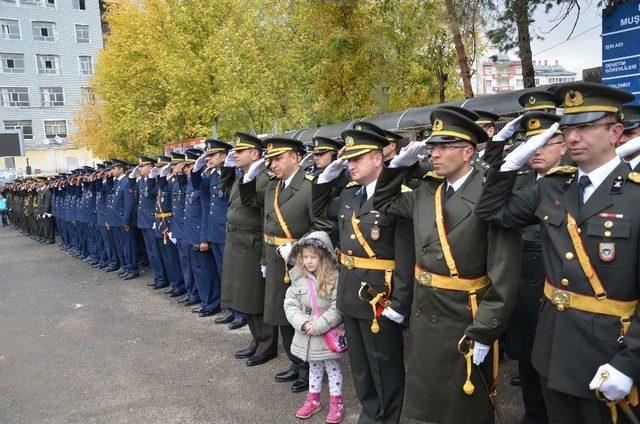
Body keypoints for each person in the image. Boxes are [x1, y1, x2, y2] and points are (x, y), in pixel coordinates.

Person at [475, 82, 640, 423]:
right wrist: (507, 166)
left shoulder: (635, 196)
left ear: (616, 132)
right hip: (552, 347)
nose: (574, 137)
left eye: (585, 126)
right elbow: (492, 212)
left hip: (610, 351)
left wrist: (629, 362)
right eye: (568, 128)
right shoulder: (553, 185)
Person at [372, 108, 521, 424]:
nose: (433, 154)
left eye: (443, 147)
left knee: (464, 403)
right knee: (429, 399)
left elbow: (504, 276)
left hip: (464, 315)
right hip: (426, 310)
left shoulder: (490, 192)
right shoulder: (428, 189)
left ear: (468, 152)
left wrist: (484, 332)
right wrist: (397, 166)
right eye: (432, 146)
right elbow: (383, 202)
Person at [313, 128, 414, 423]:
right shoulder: (347, 195)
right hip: (350, 294)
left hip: (379, 298)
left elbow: (406, 255)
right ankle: (370, 413)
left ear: (377, 158)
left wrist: (400, 302)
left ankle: (388, 417)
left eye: (357, 158)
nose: (350, 165)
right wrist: (326, 177)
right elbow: (318, 211)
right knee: (360, 366)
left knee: (385, 365)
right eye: (348, 160)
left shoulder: (398, 197)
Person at [239, 137, 332, 393]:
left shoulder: (310, 187)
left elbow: (323, 225)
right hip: (274, 257)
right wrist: (263, 259)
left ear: (294, 157)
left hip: (301, 261)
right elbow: (253, 207)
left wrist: (301, 248)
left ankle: (309, 368)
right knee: (283, 314)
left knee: (303, 314)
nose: (272, 164)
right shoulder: (272, 186)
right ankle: (296, 362)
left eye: (277, 158)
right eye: (269, 159)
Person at [505, 111, 565, 424]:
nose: (536, 150)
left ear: (564, 145)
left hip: (559, 296)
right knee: (528, 367)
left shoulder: (573, 184)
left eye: (544, 142)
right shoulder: (518, 181)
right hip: (524, 294)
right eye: (530, 143)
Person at [220, 132, 279, 366]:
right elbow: (228, 192)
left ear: (255, 154)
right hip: (240, 244)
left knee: (256, 295)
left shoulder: (263, 176)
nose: (235, 154)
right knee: (246, 296)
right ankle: (257, 340)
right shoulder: (243, 175)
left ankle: (267, 345)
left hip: (252, 243)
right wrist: (226, 169)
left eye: (240, 151)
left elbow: (259, 209)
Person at [283, 231, 345, 423]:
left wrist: (317, 326)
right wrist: (302, 323)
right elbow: (290, 303)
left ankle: (336, 402)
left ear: (324, 257)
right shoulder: (298, 277)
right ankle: (313, 398)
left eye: (313, 257)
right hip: (306, 333)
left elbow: (337, 308)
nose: (309, 261)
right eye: (305, 257)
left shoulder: (334, 278)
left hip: (325, 332)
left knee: (333, 367)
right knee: (314, 367)